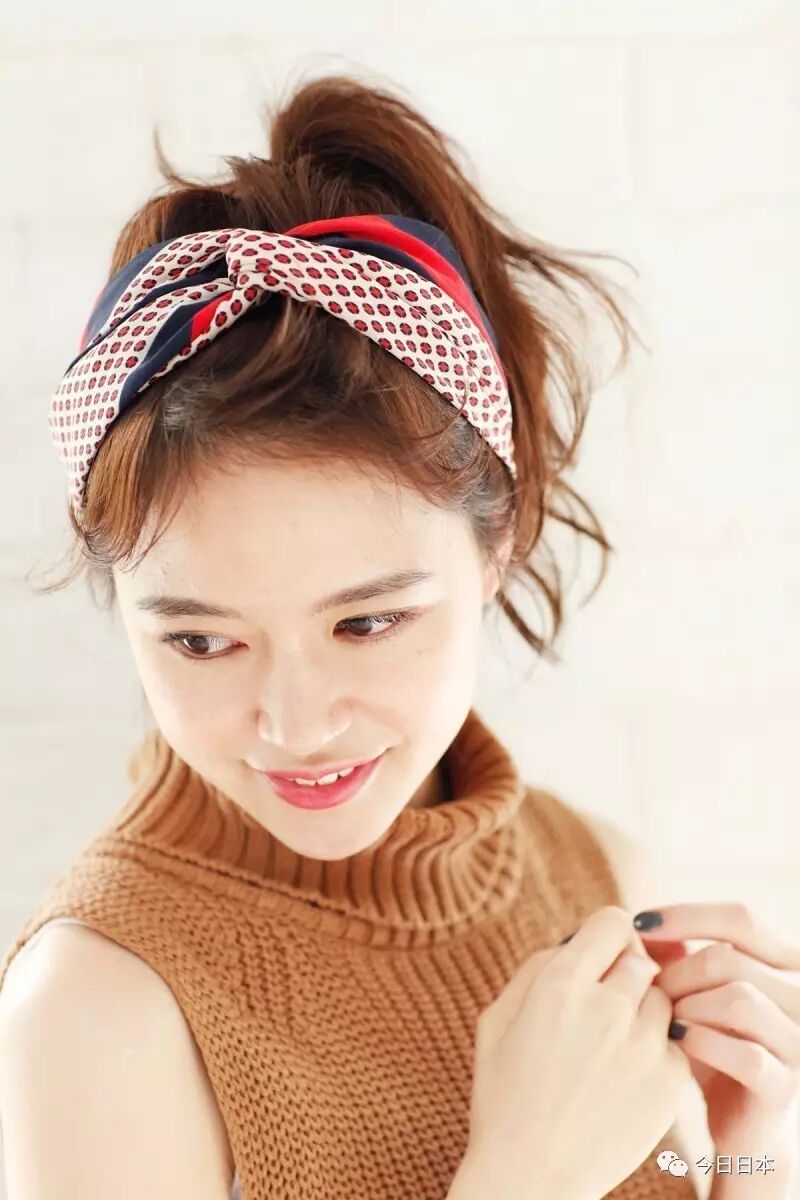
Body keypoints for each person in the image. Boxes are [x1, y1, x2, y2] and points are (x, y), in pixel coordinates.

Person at [0, 73, 702, 1200]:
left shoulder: (597, 873)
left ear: (500, 542)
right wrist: (519, 1178)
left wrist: (760, 1144)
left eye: (365, 621)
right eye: (200, 642)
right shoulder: (99, 1006)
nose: (294, 725)